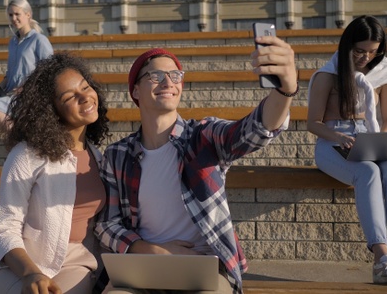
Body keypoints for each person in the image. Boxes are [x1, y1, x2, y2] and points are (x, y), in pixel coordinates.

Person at [95, 39, 298, 293]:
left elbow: (255, 130)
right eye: (156, 75)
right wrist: (153, 250)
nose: (168, 83)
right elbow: (107, 224)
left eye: (175, 75)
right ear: (135, 91)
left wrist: (285, 89)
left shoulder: (203, 137)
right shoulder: (118, 155)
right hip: (144, 264)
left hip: (203, 267)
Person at [306, 15, 387, 285]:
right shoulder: (328, 74)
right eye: (359, 51)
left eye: (373, 51)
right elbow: (313, 124)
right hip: (333, 141)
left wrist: (381, 142)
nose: (366, 57)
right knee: (367, 172)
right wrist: (338, 136)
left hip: (371, 136)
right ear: (347, 47)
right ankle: (381, 257)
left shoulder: (383, 72)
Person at [0, 52, 110, 294]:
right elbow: (6, 227)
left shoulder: (98, 158)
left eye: (85, 87)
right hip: (18, 264)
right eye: (70, 96)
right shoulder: (26, 155)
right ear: (52, 110)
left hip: (75, 262)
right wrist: (31, 272)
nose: (85, 97)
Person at [0, 0, 54, 132]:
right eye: (11, 15)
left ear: (28, 15)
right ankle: (13, 134)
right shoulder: (13, 42)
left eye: (17, 14)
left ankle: (14, 138)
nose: (14, 18)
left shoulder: (39, 40)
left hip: (28, 94)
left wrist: (27, 87)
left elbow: (50, 70)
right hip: (10, 93)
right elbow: (10, 73)